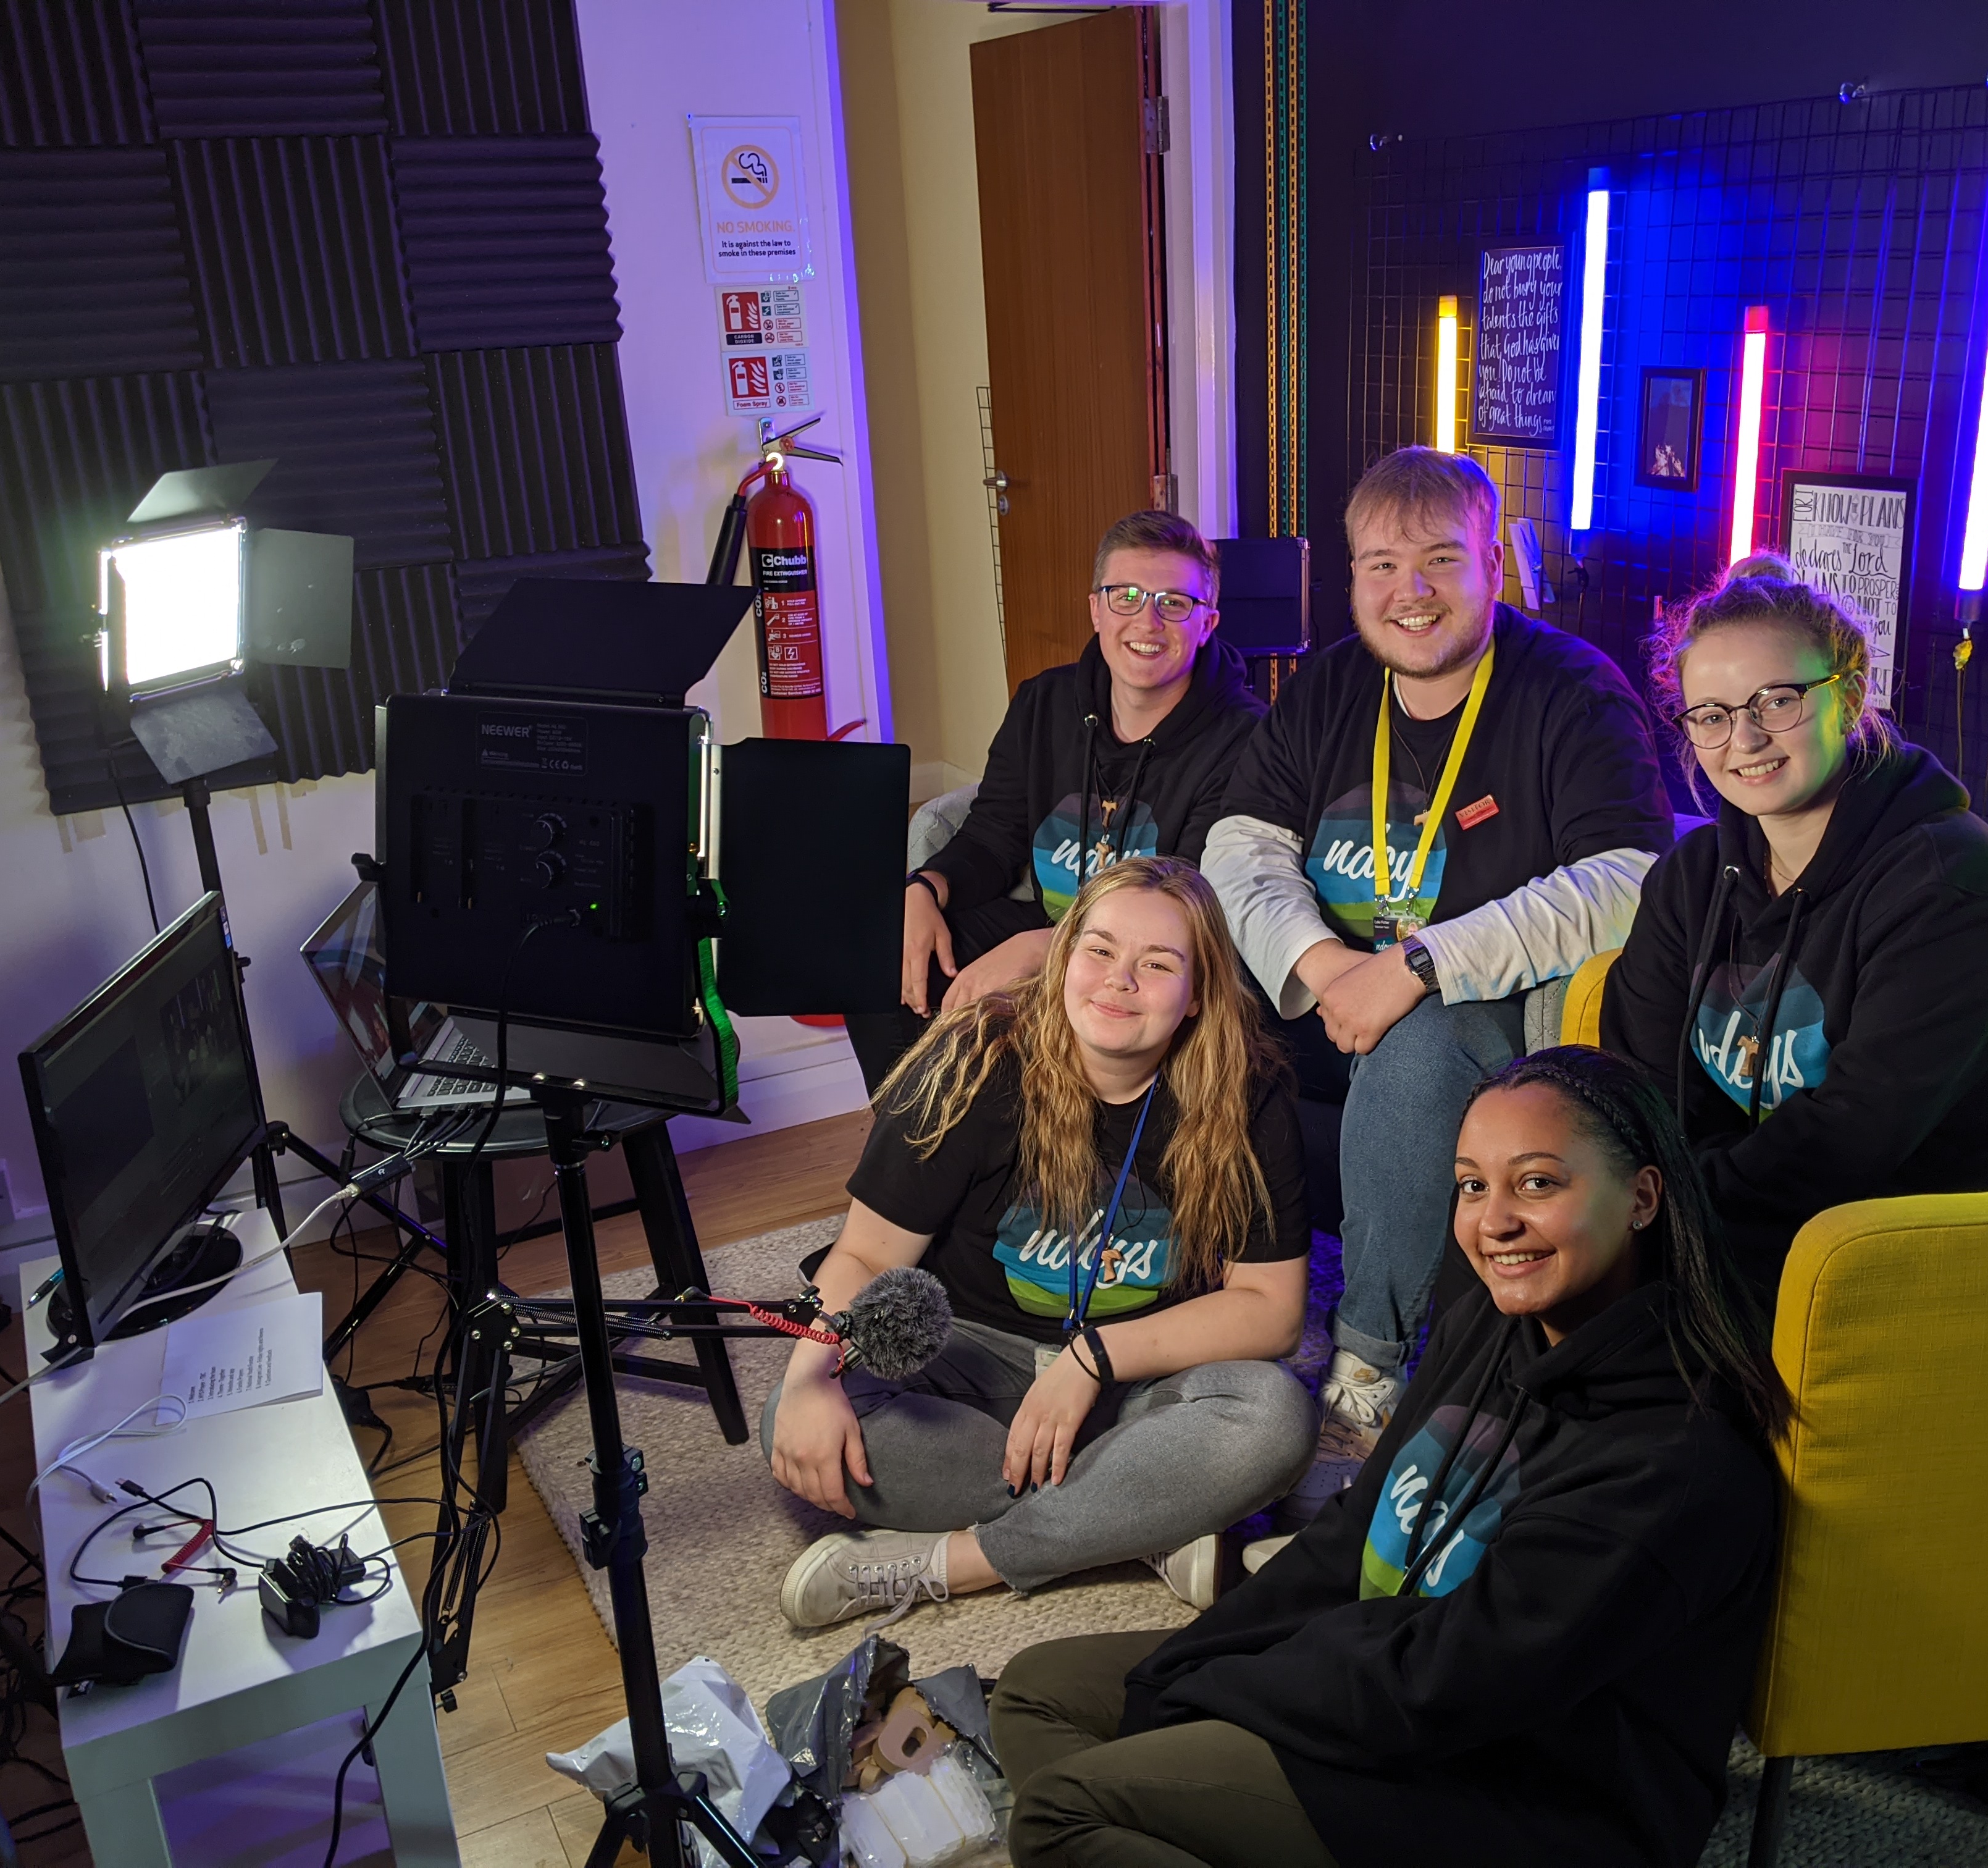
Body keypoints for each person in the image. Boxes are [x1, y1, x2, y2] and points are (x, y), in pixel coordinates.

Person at [988, 1046, 1787, 1868]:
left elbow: (1447, 1685)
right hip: (1384, 1689)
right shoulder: (1492, 1322)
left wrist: (1227, 1693)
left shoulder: (1675, 1461)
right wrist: (1195, 1662)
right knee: (1038, 1692)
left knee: (1060, 1813)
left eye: (1538, 1183)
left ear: (1643, 1198)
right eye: (1472, 1185)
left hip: (1521, 1794)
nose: (1494, 1222)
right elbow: (1353, 1532)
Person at [1203, 445, 1672, 1458]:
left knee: (1416, 1044)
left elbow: (1629, 878)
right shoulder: (1331, 683)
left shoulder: (1572, 690)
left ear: (1493, 566)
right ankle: (1163, 1292)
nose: (1408, 592)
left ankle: (1367, 1367)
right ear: (1352, 577)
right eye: (1381, 564)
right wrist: (1324, 966)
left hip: (1484, 1019)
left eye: (1439, 560)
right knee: (1163, 990)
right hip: (1328, 991)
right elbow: (1240, 844)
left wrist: (1417, 967)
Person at [765, 856, 1315, 1626]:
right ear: (1063, 959)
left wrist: (1094, 1359)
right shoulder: (972, 1061)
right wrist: (807, 1379)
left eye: (1159, 965)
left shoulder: (1245, 1092)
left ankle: (958, 1562)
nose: (1120, 980)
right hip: (970, 1355)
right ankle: (1138, 1516)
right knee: (800, 1417)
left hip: (1140, 1376)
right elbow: (866, 1256)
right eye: (1100, 950)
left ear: (1197, 996)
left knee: (1275, 1419)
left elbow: (1272, 1310)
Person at [1598, 568, 1988, 1291]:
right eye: (1711, 715)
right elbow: (1640, 1083)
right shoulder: (1694, 875)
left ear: (1852, 698)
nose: (1746, 738)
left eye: (1778, 701)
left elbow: (1850, 1141)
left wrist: (1660, 1219)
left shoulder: (1951, 888)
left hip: (1943, 1228)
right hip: (1751, 1214)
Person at [847, 511, 1266, 1092]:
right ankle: (920, 1140)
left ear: (1207, 623)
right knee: (875, 956)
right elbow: (993, 834)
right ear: (1096, 609)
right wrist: (924, 887)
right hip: (1049, 918)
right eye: (1126, 596)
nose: (1147, 620)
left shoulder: (1247, 738)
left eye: (1174, 602)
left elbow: (1190, 902)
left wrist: (1049, 950)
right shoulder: (1043, 703)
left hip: (1154, 961)